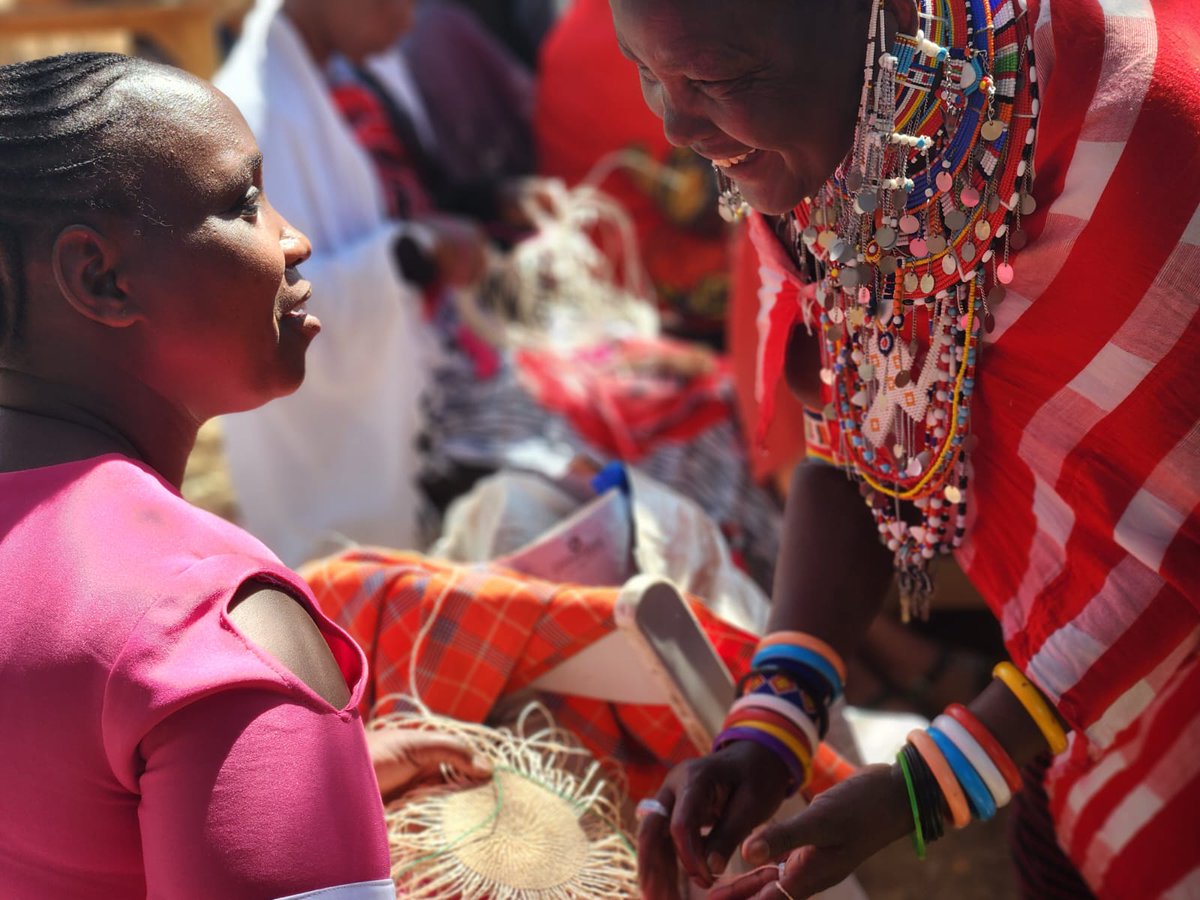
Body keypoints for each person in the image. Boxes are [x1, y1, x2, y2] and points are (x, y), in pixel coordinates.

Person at [608, 0, 1200, 897]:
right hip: (1070, 711)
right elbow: (862, 420)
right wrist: (775, 716)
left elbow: (1178, 534)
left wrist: (924, 788)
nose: (673, 124)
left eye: (716, 81)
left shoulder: (1129, 127)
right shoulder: (830, 127)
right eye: (645, 71)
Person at [0, 52, 487, 898]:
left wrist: (266, 777)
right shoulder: (211, 631)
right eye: (244, 203)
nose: (293, 241)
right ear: (101, 278)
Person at [214, 0, 487, 566]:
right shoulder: (252, 117)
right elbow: (260, 302)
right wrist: (413, 253)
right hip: (338, 450)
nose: (408, 22)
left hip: (430, 386)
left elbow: (406, 194)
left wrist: (488, 205)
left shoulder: (352, 75)